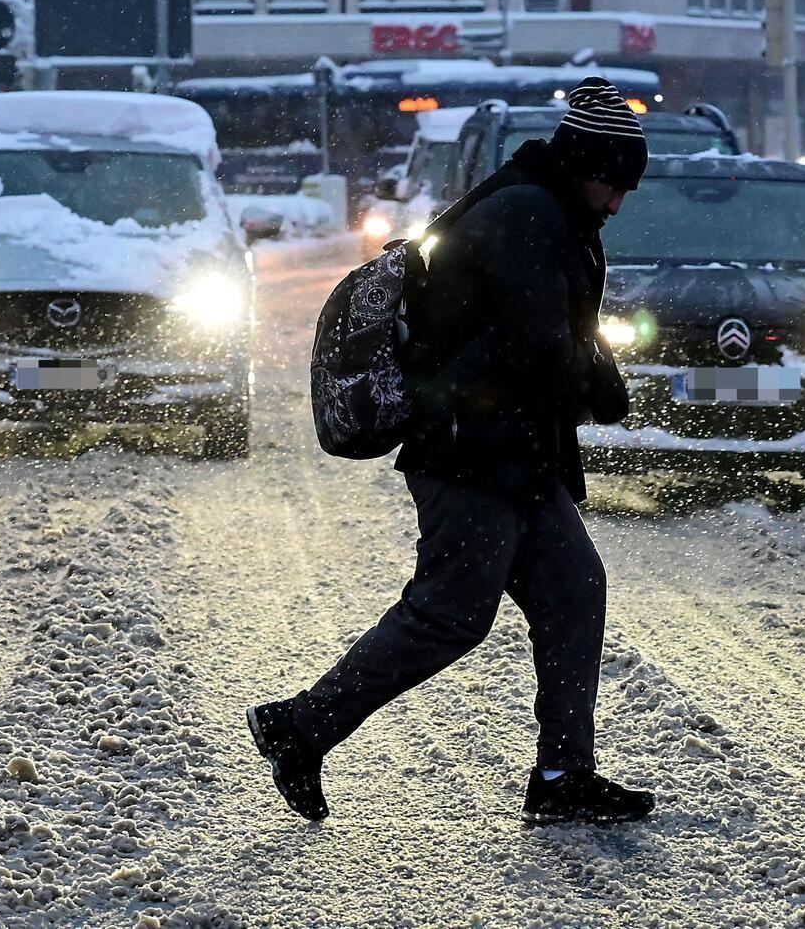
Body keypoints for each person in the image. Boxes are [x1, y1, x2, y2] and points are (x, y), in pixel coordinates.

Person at [247, 77, 655, 827]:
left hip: (514, 452)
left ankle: (564, 775)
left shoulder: (550, 208)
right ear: (582, 163)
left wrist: (589, 372)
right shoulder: (527, 214)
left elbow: (547, 333)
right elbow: (534, 346)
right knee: (451, 614)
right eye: (613, 182)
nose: (618, 202)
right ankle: (299, 728)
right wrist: (595, 382)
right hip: (469, 451)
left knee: (573, 593)